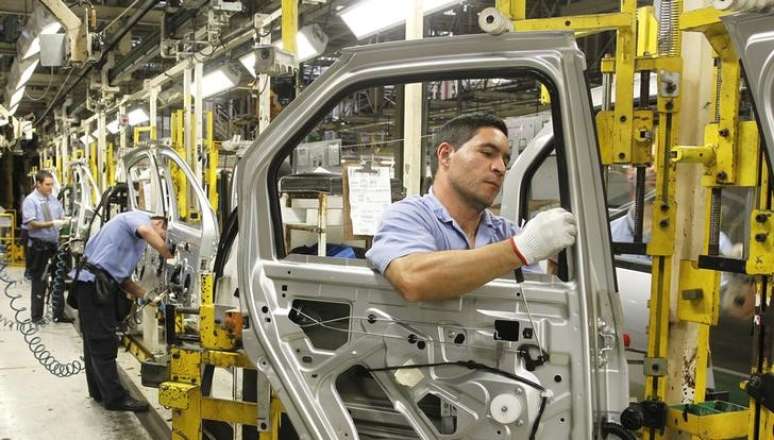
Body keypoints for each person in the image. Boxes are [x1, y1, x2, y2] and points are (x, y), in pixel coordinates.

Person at [366, 113, 577, 302]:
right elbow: (413, 279)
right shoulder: (409, 215)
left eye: (505, 159)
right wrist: (521, 249)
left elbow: (538, 304)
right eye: (487, 153)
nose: (501, 168)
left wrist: (553, 269)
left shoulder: (506, 232)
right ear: (446, 155)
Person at [70, 211, 172, 412]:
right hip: (93, 285)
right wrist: (170, 255)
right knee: (103, 342)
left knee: (94, 342)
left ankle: (99, 391)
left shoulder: (132, 240)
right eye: (163, 236)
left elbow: (122, 279)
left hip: (93, 284)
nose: (162, 241)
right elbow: (146, 231)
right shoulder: (139, 219)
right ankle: (115, 398)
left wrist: (148, 296)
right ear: (159, 223)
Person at [21, 170, 70, 324]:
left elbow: (60, 215)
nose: (50, 187)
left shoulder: (53, 200)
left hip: (54, 244)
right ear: (38, 184)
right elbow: (31, 223)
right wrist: (52, 223)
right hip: (38, 246)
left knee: (59, 279)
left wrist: (64, 221)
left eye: (51, 184)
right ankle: (37, 316)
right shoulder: (31, 201)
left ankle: (58, 314)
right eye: (47, 184)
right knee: (39, 281)